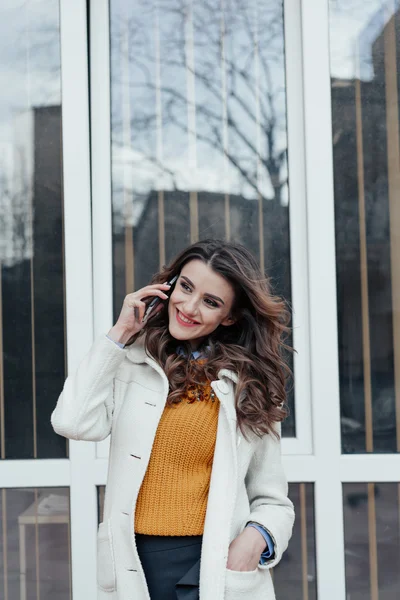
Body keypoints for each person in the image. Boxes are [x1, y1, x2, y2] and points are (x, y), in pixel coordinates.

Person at [51, 239, 294, 600]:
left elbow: (273, 499)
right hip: (134, 562)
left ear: (229, 317)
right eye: (186, 287)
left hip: (212, 564)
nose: (189, 307)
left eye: (210, 302)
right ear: (170, 285)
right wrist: (119, 335)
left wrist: (254, 540)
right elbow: (72, 421)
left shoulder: (248, 385)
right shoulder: (130, 362)